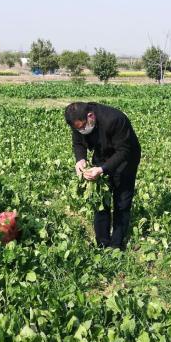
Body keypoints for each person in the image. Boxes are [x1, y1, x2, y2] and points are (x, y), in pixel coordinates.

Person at [65, 102, 141, 250]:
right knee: (100, 199)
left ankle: (116, 245)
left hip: (126, 158)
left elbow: (124, 150)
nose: (81, 130)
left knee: (122, 201)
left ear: (90, 116)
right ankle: (102, 242)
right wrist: (80, 159)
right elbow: (78, 143)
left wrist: (102, 169)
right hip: (102, 153)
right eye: (77, 128)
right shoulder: (78, 122)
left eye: (82, 127)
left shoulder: (115, 119)